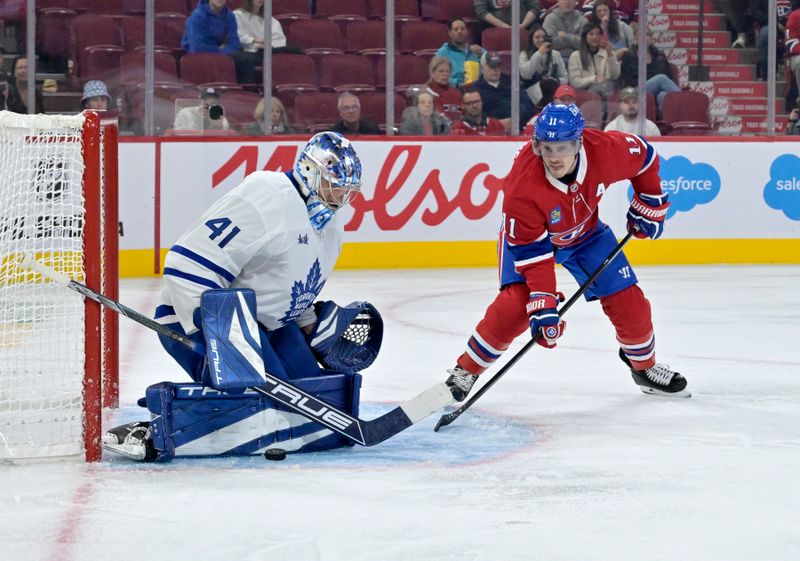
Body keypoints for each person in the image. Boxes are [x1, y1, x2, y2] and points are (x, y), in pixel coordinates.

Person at [101, 132, 373, 461]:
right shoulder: (268, 195)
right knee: (266, 408)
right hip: (205, 316)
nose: (342, 196)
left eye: (347, 189)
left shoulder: (329, 226)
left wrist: (311, 325)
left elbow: (294, 286)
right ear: (309, 172)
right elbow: (186, 263)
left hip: (271, 326)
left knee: (312, 404)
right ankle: (151, 432)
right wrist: (214, 332)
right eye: (335, 185)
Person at [444, 102, 689, 404]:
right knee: (514, 308)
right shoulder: (521, 189)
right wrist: (544, 305)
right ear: (537, 145)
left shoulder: (605, 150)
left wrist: (649, 200)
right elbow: (533, 256)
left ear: (579, 142)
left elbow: (645, 157)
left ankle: (644, 368)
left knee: (630, 303)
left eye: (562, 148)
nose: (554, 158)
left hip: (587, 235)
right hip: (531, 244)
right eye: (547, 148)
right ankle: (466, 370)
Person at [182, 0, 256, 84]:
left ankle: (246, 94)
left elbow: (235, 44)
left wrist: (221, 52)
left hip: (220, 54)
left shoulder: (230, 16)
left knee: (248, 57)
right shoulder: (196, 16)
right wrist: (218, 49)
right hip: (198, 58)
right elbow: (196, 48)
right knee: (243, 59)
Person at [619, 28, 680, 114]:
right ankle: (685, 101)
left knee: (663, 95)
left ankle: (663, 123)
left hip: (656, 92)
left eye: (647, 34)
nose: (644, 38)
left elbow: (669, 79)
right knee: (661, 79)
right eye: (640, 35)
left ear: (651, 38)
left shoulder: (660, 56)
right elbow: (625, 80)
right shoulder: (628, 56)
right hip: (635, 91)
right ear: (636, 38)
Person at [476, 51, 537, 132]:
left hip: (519, 127)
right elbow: (475, 113)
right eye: (492, 66)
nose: (496, 69)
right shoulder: (476, 89)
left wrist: (514, 120)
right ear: (482, 68)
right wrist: (498, 124)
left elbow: (528, 105)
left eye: (498, 66)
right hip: (491, 131)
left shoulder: (512, 82)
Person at [567, 21, 620, 101]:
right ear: (585, 37)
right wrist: (594, 79)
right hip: (584, 91)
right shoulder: (576, 56)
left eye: (598, 34)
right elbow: (575, 82)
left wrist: (610, 55)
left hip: (605, 88)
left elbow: (615, 75)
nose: (595, 37)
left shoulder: (607, 53)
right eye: (591, 34)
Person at [519, 24, 568, 105]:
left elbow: (565, 76)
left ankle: (555, 110)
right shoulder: (524, 55)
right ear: (531, 39)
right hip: (533, 91)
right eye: (537, 37)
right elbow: (526, 75)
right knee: (548, 83)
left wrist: (556, 80)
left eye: (543, 37)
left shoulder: (555, 54)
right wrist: (539, 53)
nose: (541, 39)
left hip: (553, 89)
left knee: (550, 85)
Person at [436, 17, 485, 87]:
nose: (460, 31)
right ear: (450, 33)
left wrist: (482, 55)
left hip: (479, 89)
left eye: (462, 29)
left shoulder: (477, 50)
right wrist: (458, 84)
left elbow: (493, 65)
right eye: (456, 29)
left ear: (467, 32)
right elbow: (439, 75)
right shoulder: (443, 52)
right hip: (455, 90)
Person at [424, 56, 464, 122]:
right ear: (432, 73)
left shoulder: (456, 93)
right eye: (441, 71)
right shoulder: (424, 94)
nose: (445, 74)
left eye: (447, 71)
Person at [474, 0, 540, 35]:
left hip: (525, 26)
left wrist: (524, 25)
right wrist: (502, 25)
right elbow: (481, 11)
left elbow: (534, 8)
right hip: (494, 27)